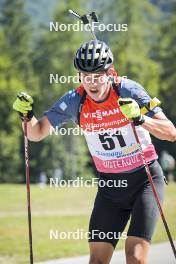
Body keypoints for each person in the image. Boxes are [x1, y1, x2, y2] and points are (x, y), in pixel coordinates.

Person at [13, 40, 176, 264]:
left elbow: (170, 132)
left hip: (145, 181)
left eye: (98, 76)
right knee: (97, 261)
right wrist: (27, 116)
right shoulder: (74, 101)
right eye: (85, 75)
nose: (92, 82)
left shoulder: (128, 90)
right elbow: (36, 133)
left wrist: (140, 118)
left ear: (111, 73)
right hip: (110, 188)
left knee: (136, 258)